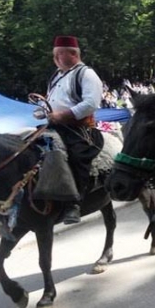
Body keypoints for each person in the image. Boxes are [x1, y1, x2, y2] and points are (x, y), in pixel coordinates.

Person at [43, 35, 104, 224]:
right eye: (54, 55)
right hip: (54, 125)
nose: (55, 59)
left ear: (72, 54)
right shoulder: (56, 75)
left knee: (77, 156)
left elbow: (91, 103)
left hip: (79, 129)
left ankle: (74, 203)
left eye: (59, 54)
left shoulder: (86, 74)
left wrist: (63, 115)